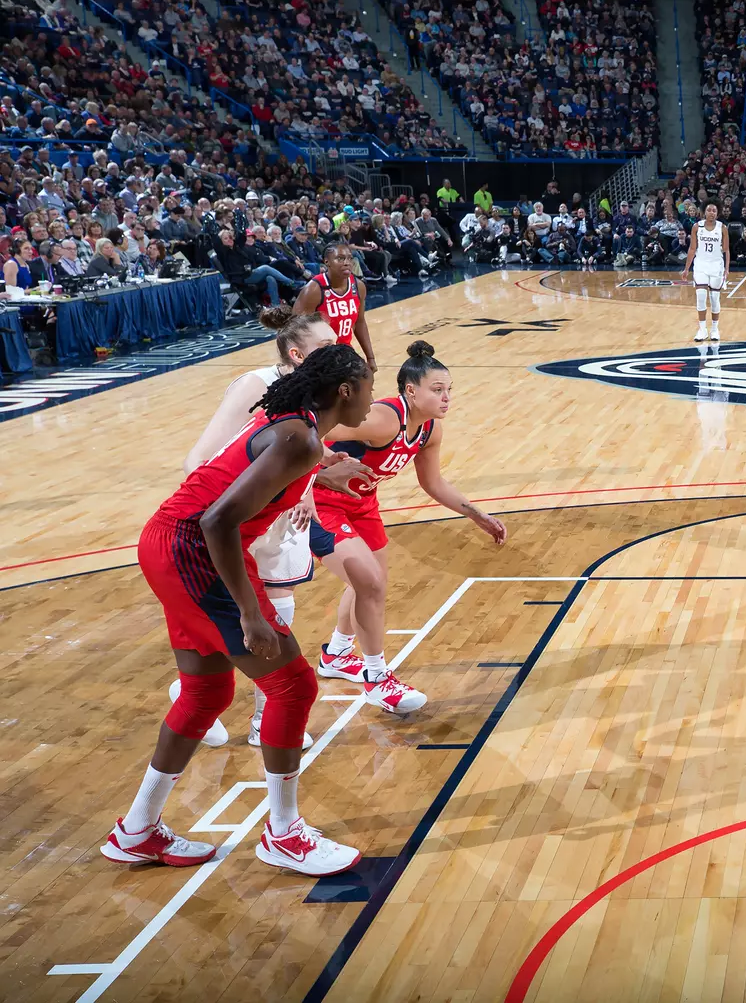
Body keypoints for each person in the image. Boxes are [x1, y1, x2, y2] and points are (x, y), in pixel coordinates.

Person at [107, 344, 374, 877]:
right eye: (368, 385)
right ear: (344, 391)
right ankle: (284, 835)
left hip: (170, 543)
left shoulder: (298, 428)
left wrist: (322, 475)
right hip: (193, 548)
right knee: (294, 685)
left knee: (209, 689)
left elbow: (249, 474)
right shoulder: (299, 437)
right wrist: (251, 614)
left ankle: (137, 830)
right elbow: (218, 521)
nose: (371, 397)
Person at [176, 307, 373, 747]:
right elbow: (205, 458)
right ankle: (199, 694)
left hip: (276, 512)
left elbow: (280, 459)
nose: (339, 349)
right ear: (298, 352)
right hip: (231, 517)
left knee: (278, 604)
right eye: (327, 345)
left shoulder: (314, 399)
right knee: (246, 614)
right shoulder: (256, 384)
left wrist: (312, 480)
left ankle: (253, 714)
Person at [313, 342, 507, 714]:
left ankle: (336, 654)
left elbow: (433, 484)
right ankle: (376, 678)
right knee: (369, 583)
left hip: (363, 504)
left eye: (449, 390)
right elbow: (312, 428)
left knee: (371, 582)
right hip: (323, 503)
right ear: (410, 390)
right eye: (437, 390)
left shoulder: (430, 429)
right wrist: (323, 468)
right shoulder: (385, 420)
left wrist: (476, 514)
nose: (447, 397)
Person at [294, 243, 374, 370]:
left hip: (345, 352)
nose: (347, 262)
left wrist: (370, 358)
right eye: (340, 258)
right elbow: (294, 329)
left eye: (349, 258)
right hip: (319, 356)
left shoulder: (359, 286)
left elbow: (359, 322)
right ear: (327, 262)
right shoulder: (314, 289)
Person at [684, 203, 729, 342]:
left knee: (715, 299)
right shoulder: (697, 227)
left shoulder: (723, 228)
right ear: (704, 212)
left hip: (717, 266)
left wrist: (727, 269)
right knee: (701, 296)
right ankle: (702, 329)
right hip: (701, 265)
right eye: (709, 210)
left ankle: (715, 329)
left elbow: (726, 250)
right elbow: (692, 249)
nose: (711, 212)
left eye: (714, 210)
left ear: (717, 213)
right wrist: (686, 268)